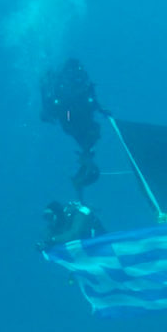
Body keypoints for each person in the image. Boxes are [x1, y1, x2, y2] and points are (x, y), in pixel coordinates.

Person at [39, 58, 104, 194]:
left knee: (89, 138)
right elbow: (56, 105)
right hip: (74, 121)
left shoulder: (76, 81)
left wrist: (100, 109)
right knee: (88, 137)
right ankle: (83, 170)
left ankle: (83, 171)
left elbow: (91, 98)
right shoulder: (64, 83)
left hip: (78, 122)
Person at [39, 200, 106, 249]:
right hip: (87, 247)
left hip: (99, 242)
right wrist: (45, 244)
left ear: (57, 214)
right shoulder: (60, 220)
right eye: (46, 217)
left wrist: (53, 240)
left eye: (50, 217)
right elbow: (51, 233)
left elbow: (74, 234)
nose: (49, 221)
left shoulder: (79, 214)